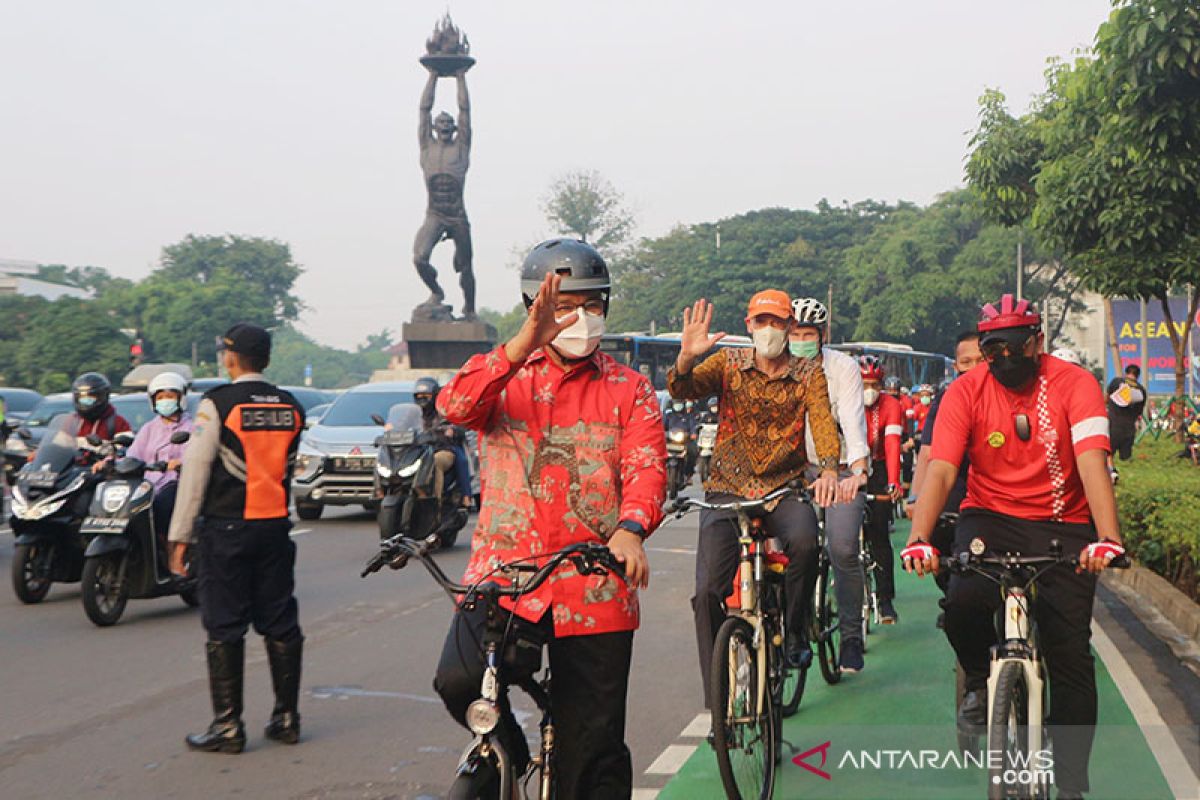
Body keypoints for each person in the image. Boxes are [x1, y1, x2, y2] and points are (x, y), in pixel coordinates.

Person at [433, 238, 666, 797]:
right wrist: (518, 347)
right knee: (459, 681)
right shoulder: (502, 374)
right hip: (505, 578)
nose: (580, 318)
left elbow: (647, 469)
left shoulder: (628, 389)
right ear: (534, 305)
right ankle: (511, 754)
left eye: (592, 304)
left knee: (594, 750)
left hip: (594, 585)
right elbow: (455, 407)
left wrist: (631, 529)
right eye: (565, 305)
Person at [902, 295, 1124, 799]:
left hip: (1064, 522)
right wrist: (919, 537)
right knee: (961, 605)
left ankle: (1070, 785)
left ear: (1037, 342)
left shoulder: (1075, 384)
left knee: (1071, 658)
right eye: (991, 349)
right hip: (991, 517)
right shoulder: (966, 391)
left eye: (1014, 346)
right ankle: (982, 684)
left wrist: (1107, 537)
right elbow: (941, 468)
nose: (1003, 358)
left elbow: (1092, 461)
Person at [667, 290, 840, 718]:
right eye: (761, 322)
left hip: (784, 488)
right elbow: (682, 389)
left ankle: (796, 631)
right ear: (748, 326)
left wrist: (832, 468)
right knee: (707, 590)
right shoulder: (727, 364)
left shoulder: (808, 372)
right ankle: (718, 701)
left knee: (805, 544)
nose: (769, 330)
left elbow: (821, 419)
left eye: (777, 323)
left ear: (787, 327)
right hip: (727, 489)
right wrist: (687, 357)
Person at [168, 324, 306, 754]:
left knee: (225, 625)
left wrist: (180, 536)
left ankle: (228, 726)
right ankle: (286, 718)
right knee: (280, 621)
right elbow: (289, 466)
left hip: (226, 528)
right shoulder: (291, 405)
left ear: (231, 357)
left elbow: (196, 469)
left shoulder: (217, 404)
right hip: (275, 526)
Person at [789, 297, 874, 670]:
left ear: (822, 336)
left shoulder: (843, 368)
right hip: (796, 471)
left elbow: (854, 422)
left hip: (840, 471)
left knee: (841, 548)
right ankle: (787, 628)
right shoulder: (778, 367)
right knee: (782, 550)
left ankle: (852, 637)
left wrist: (858, 470)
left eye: (808, 333)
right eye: (794, 333)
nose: (801, 340)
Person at [908, 331, 985, 617]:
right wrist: (916, 499)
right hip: (956, 479)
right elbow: (929, 454)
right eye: (967, 361)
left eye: (981, 360)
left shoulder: (1005, 393)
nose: (975, 367)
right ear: (956, 367)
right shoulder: (947, 399)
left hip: (996, 488)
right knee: (937, 530)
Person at [857, 355, 905, 627]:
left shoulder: (892, 405)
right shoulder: (846, 398)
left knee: (879, 537)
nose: (869, 390)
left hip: (880, 466)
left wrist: (894, 482)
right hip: (850, 466)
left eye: (874, 384)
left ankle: (886, 601)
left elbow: (892, 444)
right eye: (864, 384)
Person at [126, 371, 194, 551]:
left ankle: (169, 551)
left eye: (170, 396)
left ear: (181, 398)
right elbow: (133, 455)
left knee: (162, 507)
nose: (165, 401)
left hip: (175, 484)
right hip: (147, 486)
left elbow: (194, 455)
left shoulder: (192, 428)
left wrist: (178, 463)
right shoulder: (148, 429)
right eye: (161, 397)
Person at [412, 376, 472, 507]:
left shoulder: (444, 409)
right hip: (420, 450)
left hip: (444, 448)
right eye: (419, 395)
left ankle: (437, 502)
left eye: (426, 395)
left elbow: (461, 425)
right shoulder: (414, 413)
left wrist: (452, 430)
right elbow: (404, 426)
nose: (422, 398)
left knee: (441, 461)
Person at [69, 372, 131, 441]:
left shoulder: (118, 423)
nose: (86, 401)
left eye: (91, 397)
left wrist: (107, 447)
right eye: (81, 398)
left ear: (104, 396)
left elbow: (127, 448)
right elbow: (58, 443)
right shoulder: (71, 421)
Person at [1106, 363, 1147, 461]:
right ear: (1138, 375)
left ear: (1126, 372)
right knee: (1126, 458)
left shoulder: (1116, 382)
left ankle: (1112, 472)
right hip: (1129, 429)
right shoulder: (1141, 391)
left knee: (1108, 454)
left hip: (1113, 426)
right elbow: (1139, 412)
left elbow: (1106, 398)